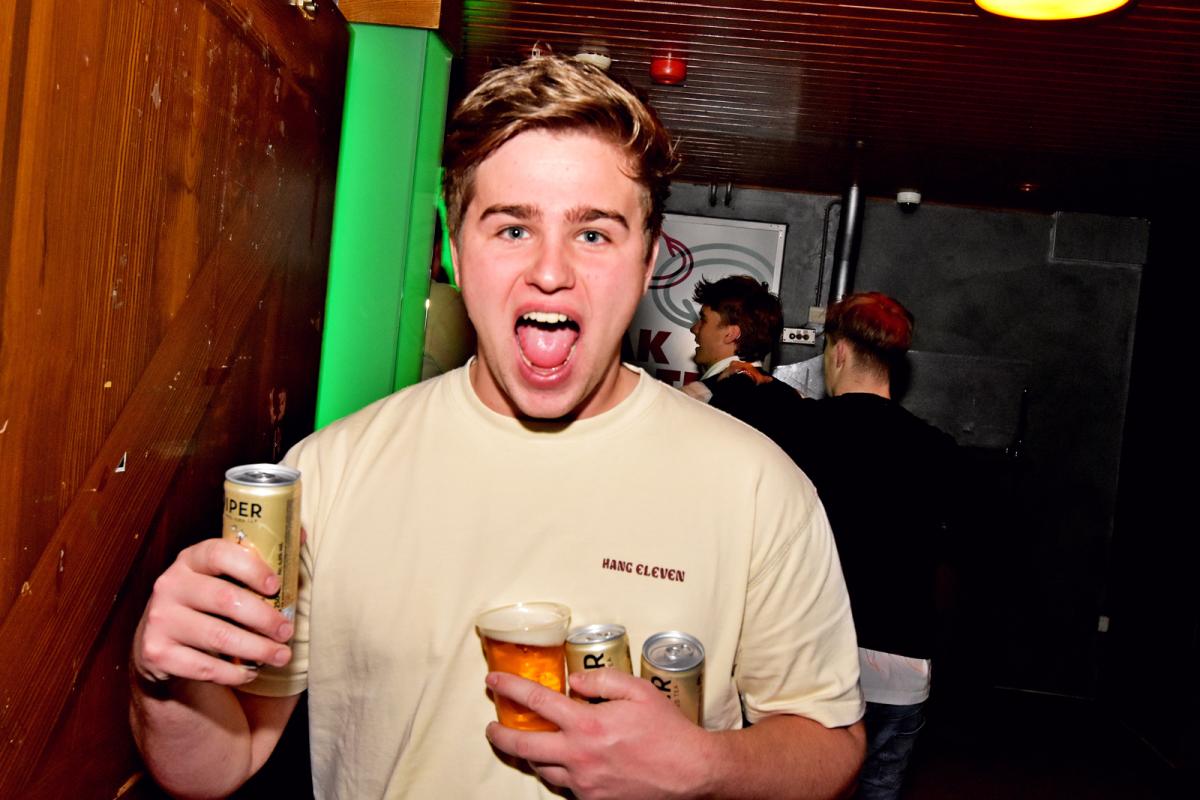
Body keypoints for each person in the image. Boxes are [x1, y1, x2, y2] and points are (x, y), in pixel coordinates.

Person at [129, 54, 865, 799]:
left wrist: (704, 768)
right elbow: (215, 766)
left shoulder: (753, 484)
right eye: (513, 228)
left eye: (594, 234)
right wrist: (163, 679)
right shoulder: (331, 472)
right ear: (454, 248)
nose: (550, 271)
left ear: (647, 260)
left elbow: (830, 745)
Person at [787, 292, 959, 800]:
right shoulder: (938, 449)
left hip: (812, 656)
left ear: (839, 351)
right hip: (901, 664)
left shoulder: (800, 431)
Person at [682, 275, 802, 449]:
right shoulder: (791, 400)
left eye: (703, 320)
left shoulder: (696, 400)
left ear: (730, 334)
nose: (694, 328)